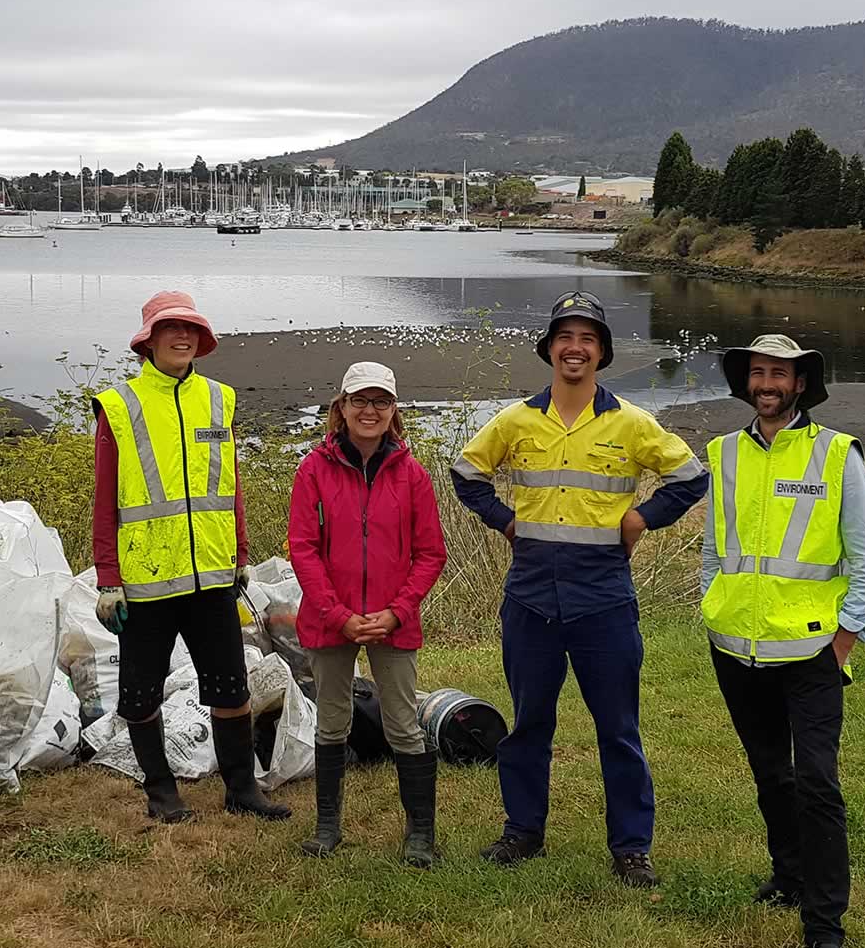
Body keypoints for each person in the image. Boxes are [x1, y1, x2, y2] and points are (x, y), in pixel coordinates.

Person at [450, 291, 708, 888]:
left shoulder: (631, 423)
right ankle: (523, 831)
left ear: (601, 353)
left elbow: (690, 475)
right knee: (529, 721)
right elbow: (466, 473)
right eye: (566, 337)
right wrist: (505, 520)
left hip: (604, 601)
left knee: (617, 728)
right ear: (550, 349)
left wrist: (642, 517)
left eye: (588, 339)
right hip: (531, 597)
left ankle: (631, 847)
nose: (576, 348)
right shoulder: (516, 420)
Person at [699, 334, 865, 948]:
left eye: (780, 373)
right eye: (758, 373)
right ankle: (788, 876)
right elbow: (714, 550)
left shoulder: (836, 454)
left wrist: (845, 640)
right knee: (770, 774)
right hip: (736, 650)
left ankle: (825, 926)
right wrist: (713, 611)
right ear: (746, 383)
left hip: (810, 655)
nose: (768, 383)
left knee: (817, 785)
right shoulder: (723, 453)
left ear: (800, 383)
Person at [91, 290, 290, 823]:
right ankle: (161, 792)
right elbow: (105, 498)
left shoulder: (219, 400)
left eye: (190, 330)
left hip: (212, 576)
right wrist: (108, 579)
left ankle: (242, 790)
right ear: (148, 341)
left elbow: (230, 485)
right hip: (147, 580)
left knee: (231, 685)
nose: (181, 337)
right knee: (141, 693)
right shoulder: (120, 406)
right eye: (169, 329)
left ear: (201, 341)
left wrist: (240, 551)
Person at [287, 362, 448, 865]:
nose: (369, 410)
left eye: (381, 401)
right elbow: (303, 548)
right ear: (341, 408)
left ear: (394, 410)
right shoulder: (313, 469)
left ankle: (420, 834)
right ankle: (327, 826)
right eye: (360, 400)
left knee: (404, 724)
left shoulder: (412, 474)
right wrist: (337, 615)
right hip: (328, 619)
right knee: (331, 722)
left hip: (392, 620)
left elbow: (430, 554)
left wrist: (397, 612)